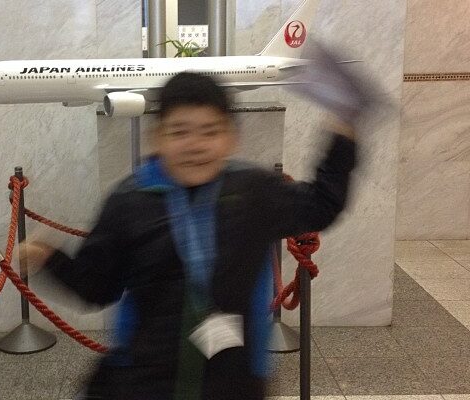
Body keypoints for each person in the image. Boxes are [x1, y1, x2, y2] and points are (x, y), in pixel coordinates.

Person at [25, 72, 357, 399]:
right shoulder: (130, 202)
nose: (194, 145)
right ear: (157, 137)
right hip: (146, 382)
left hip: (233, 382)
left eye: (210, 131)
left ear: (231, 138)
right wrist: (50, 259)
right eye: (179, 132)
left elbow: (320, 206)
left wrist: (343, 130)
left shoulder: (255, 193)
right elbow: (96, 287)